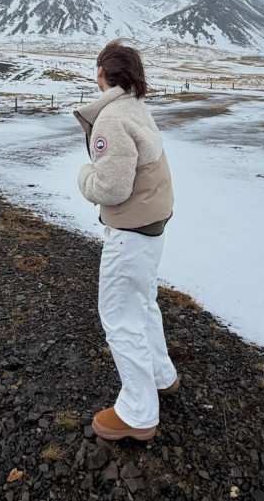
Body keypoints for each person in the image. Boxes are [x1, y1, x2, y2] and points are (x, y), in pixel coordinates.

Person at [74, 39, 180, 442]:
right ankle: (160, 375)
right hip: (152, 228)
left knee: (120, 318)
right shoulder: (137, 109)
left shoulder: (112, 119)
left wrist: (84, 176)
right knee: (143, 303)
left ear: (102, 73)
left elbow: (112, 188)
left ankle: (137, 413)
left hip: (130, 234)